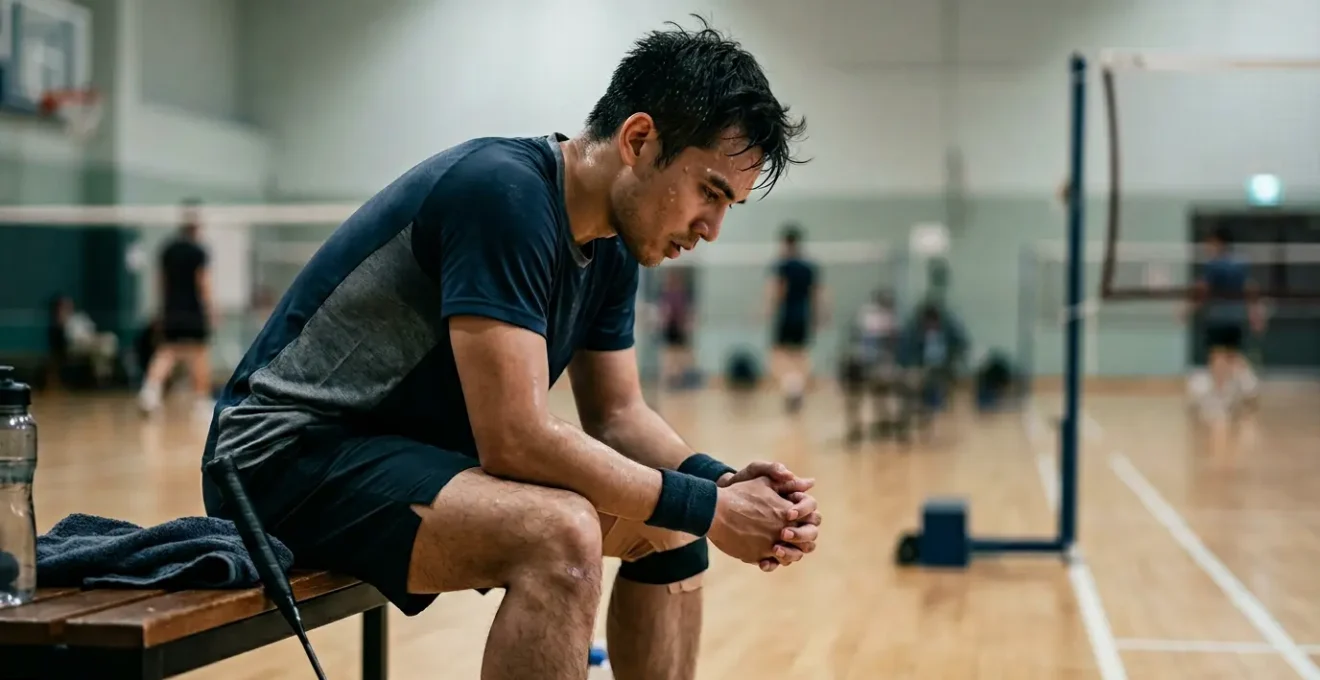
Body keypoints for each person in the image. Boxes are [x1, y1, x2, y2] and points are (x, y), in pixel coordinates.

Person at [201, 17, 818, 680]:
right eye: (709, 192)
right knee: (561, 534)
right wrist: (714, 507)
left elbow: (619, 417)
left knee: (671, 529)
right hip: (280, 459)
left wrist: (721, 484)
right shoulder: (504, 194)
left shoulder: (612, 244)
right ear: (639, 140)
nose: (713, 228)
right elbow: (517, 439)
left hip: (400, 458)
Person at [138, 200, 214, 417]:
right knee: (199, 354)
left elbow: (160, 282)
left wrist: (161, 309)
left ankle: (149, 392)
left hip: (171, 310)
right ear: (197, 224)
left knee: (167, 352)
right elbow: (203, 283)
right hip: (193, 311)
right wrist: (211, 310)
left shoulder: (167, 250)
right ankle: (201, 402)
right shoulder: (199, 251)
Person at [1188, 228, 1265, 419]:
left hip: (1219, 317)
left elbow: (1202, 289)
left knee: (1217, 356)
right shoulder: (1241, 264)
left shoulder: (1213, 265)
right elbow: (1250, 288)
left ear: (1218, 243)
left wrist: (1188, 309)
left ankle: (1221, 397)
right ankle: (1250, 385)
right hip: (1237, 318)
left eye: (1209, 243)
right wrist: (1254, 314)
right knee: (1232, 354)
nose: (1207, 247)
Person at [765, 225, 826, 412]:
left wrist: (768, 310)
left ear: (785, 243)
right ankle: (796, 387)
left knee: (778, 354)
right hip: (803, 316)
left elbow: (778, 291)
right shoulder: (809, 267)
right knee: (801, 355)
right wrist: (818, 316)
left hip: (786, 315)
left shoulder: (782, 266)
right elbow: (817, 294)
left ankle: (790, 387)